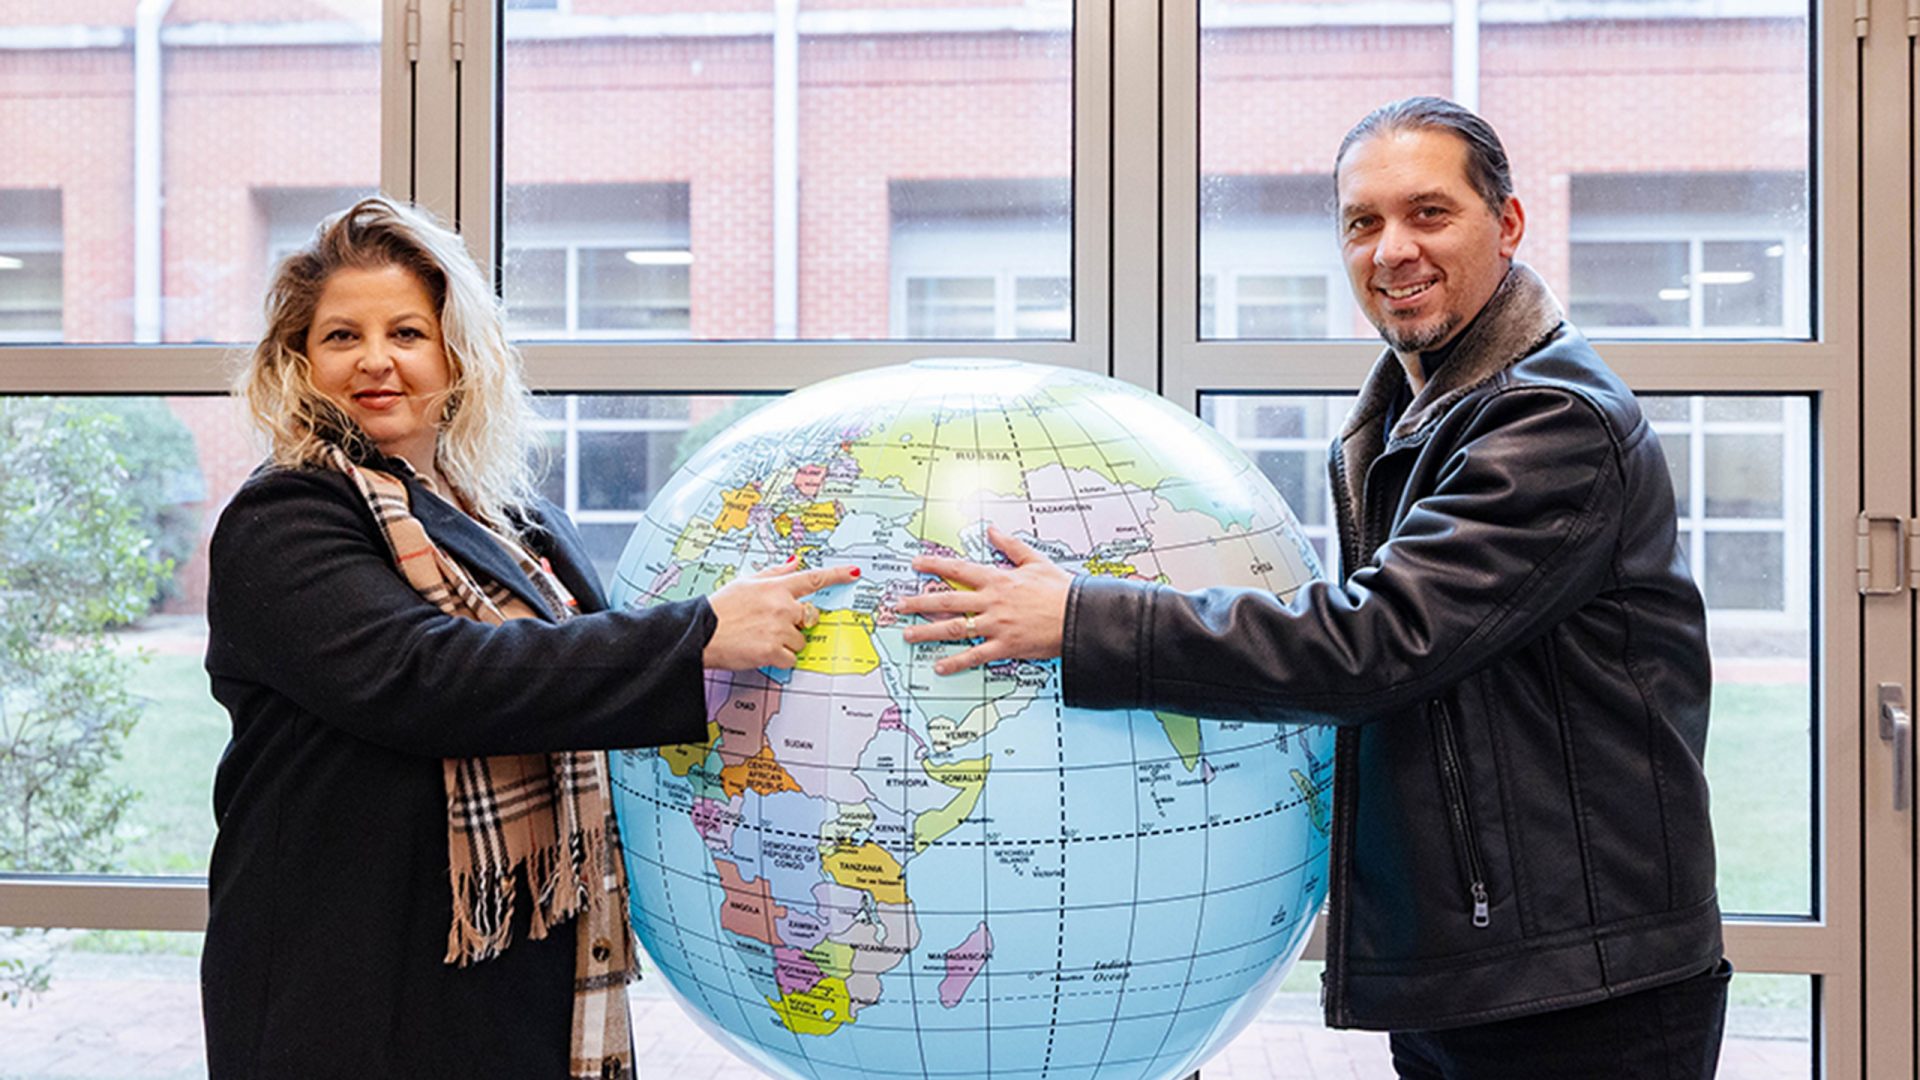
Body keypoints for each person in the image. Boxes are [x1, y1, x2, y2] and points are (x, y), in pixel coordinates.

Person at [897, 97, 1728, 1078]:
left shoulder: (1551, 424)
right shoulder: (1421, 412)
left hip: (1583, 987)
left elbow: (1377, 643)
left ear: (1505, 226)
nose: (1392, 251)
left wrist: (1084, 619)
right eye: (1363, 223)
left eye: (1429, 213)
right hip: (1487, 961)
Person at [200, 195, 856, 1078]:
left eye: (406, 332)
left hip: (523, 957)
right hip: (352, 975)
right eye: (340, 338)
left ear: (456, 354)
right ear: (298, 363)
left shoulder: (519, 526)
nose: (375, 361)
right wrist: (698, 635)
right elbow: (427, 677)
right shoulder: (284, 515)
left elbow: (589, 669)